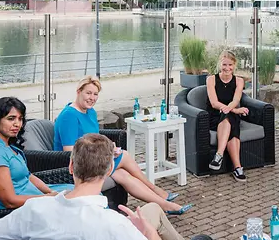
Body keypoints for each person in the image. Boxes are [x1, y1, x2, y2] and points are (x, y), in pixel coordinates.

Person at [0, 133, 234, 240]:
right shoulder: (114, 227)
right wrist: (149, 235)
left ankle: (164, 218)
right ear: (110, 170)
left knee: (152, 209)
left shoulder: (35, 213)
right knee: (151, 220)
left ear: (71, 167)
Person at [54, 76, 192, 215]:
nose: (92, 98)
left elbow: (93, 139)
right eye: (88, 93)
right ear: (79, 91)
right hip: (77, 165)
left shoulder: (90, 112)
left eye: (95, 94)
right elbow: (69, 151)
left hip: (93, 159)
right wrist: (105, 152)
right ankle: (156, 190)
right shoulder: (69, 116)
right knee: (124, 155)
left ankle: (165, 205)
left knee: (123, 174)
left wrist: (108, 147)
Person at [0, 97, 73, 210]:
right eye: (11, 118)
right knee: (82, 200)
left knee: (83, 192)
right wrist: (48, 198)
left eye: (20, 119)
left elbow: (28, 176)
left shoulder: (7, 146)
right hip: (23, 209)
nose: (17, 124)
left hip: (35, 196)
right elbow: (10, 201)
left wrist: (51, 192)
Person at [206, 51, 250, 181]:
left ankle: (218, 156)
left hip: (230, 113)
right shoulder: (211, 79)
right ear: (220, 64)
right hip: (214, 115)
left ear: (234, 65)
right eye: (224, 64)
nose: (227, 68)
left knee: (229, 120)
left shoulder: (239, 81)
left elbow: (235, 101)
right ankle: (237, 168)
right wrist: (236, 111)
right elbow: (214, 103)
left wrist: (232, 109)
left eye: (230, 65)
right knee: (229, 119)